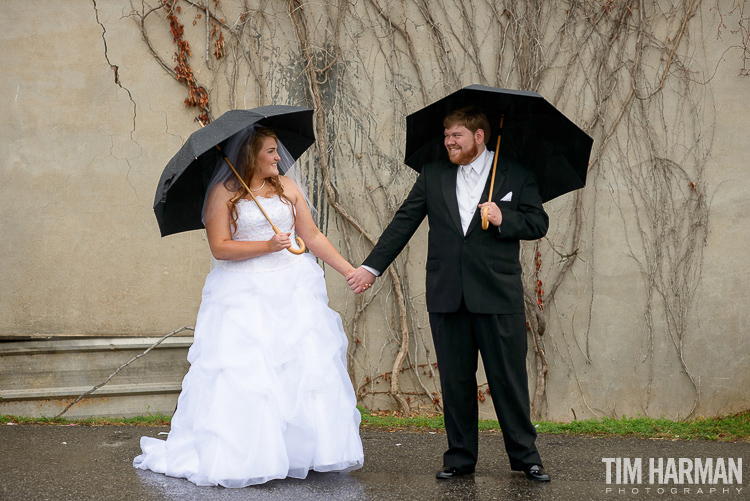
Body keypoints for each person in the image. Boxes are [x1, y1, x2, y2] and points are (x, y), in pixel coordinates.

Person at [134, 126, 364, 488]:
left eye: (278, 151)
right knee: (249, 374)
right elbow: (220, 248)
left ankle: (299, 452)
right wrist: (266, 246)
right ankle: (248, 455)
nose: (279, 158)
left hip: (293, 288)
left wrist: (350, 270)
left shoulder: (287, 188)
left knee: (302, 369)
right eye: (271, 151)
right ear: (251, 155)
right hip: (243, 293)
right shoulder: (222, 194)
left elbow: (312, 236)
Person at [346, 107, 550, 481]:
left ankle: (525, 456)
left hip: (497, 295)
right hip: (446, 295)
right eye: (446, 136)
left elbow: (538, 222)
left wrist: (506, 218)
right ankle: (459, 458)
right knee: (455, 381)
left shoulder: (515, 174)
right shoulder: (434, 174)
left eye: (456, 135)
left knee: (508, 380)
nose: (448, 142)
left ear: (479, 136)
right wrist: (370, 267)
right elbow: (404, 221)